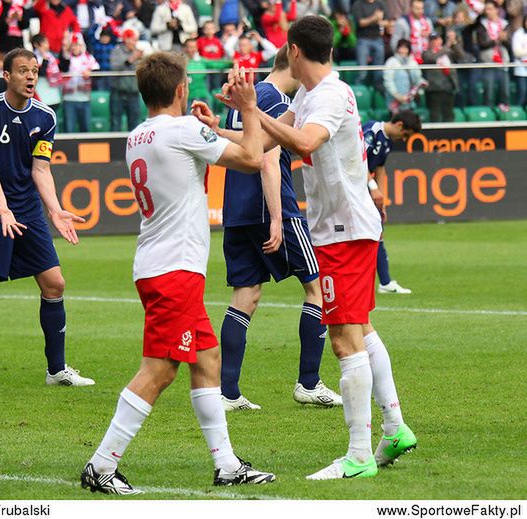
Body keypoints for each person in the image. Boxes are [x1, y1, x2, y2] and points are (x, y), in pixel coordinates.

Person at [207, 15, 416, 480]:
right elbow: (259, 144)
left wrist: (251, 107)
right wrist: (218, 126)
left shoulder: (329, 95)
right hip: (339, 227)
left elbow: (302, 141)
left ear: (295, 51)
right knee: (360, 327)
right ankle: (395, 428)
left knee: (343, 337)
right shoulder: (306, 95)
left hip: (344, 229)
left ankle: (360, 454)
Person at [81, 52, 275, 495]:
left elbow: (189, 152)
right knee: (161, 369)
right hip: (175, 268)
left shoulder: (137, 135)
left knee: (207, 359)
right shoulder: (185, 130)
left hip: (155, 263)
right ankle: (101, 465)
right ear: (182, 89)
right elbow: (251, 156)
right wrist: (247, 108)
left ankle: (226, 465)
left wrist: (206, 128)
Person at [193, 45, 342, 412]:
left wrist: (214, 129)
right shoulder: (273, 99)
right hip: (272, 207)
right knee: (317, 287)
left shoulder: (246, 98)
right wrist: (278, 217)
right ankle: (309, 382)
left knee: (246, 294)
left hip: (238, 210)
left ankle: (227, 392)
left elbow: (241, 145)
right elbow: (269, 159)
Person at [0, 48, 94, 393]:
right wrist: (2, 207)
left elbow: (41, 169)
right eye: (23, 71)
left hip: (28, 207)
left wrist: (54, 209)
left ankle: (57, 369)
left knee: (55, 284)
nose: (31, 76)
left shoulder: (46, 117)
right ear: (7, 76)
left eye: (34, 70)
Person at [362, 110, 421, 295]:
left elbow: (380, 169)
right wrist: (373, 187)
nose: (403, 139)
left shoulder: (387, 140)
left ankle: (385, 282)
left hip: (364, 188)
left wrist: (382, 202)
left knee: (377, 231)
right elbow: (356, 160)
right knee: (365, 235)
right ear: (400, 125)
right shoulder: (371, 131)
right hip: (352, 188)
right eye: (405, 135)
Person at [422, 30, 462, 122]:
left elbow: (460, 55)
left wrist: (454, 42)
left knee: (449, 114)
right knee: (435, 114)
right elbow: (432, 58)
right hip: (435, 88)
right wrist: (446, 47)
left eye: (437, 39)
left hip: (449, 85)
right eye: (433, 40)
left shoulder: (447, 51)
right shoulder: (426, 53)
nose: (435, 42)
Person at [351, 0, 387, 89]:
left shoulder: (380, 3)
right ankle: (359, 92)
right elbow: (360, 23)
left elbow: (387, 21)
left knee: (379, 71)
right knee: (362, 71)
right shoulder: (358, 4)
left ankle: (377, 94)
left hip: (378, 39)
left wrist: (381, 21)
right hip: (363, 39)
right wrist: (374, 18)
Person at [383, 39, 425, 113]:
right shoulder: (391, 62)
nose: (403, 50)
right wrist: (398, 96)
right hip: (395, 103)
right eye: (401, 47)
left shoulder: (413, 62)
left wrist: (422, 83)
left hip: (410, 102)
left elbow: (417, 79)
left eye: (405, 48)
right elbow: (388, 81)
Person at [512, 15, 527, 108]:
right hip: (521, 70)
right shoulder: (518, 34)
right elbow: (517, 52)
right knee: (522, 92)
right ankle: (518, 115)